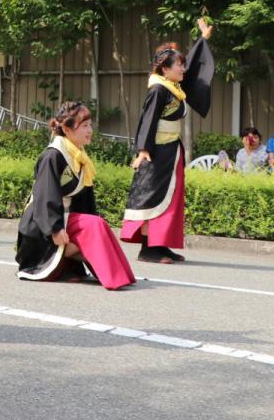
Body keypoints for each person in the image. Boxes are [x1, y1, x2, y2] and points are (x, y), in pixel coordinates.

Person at [121, 17, 214, 265]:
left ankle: (162, 245)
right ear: (165, 69)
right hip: (157, 151)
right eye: (179, 66)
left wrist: (203, 38)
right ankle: (148, 249)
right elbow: (148, 120)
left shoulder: (173, 86)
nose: (183, 70)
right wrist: (142, 150)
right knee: (152, 197)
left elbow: (192, 67)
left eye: (183, 65)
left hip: (172, 149)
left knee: (170, 198)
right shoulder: (159, 90)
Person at [16, 102, 136, 290]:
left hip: (62, 219)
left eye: (90, 125)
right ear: (67, 129)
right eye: (85, 126)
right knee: (94, 226)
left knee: (98, 224)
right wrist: (54, 229)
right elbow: (45, 196)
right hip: (41, 228)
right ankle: (106, 275)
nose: (90, 130)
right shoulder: (53, 156)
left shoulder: (79, 155)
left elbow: (84, 201)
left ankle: (113, 275)